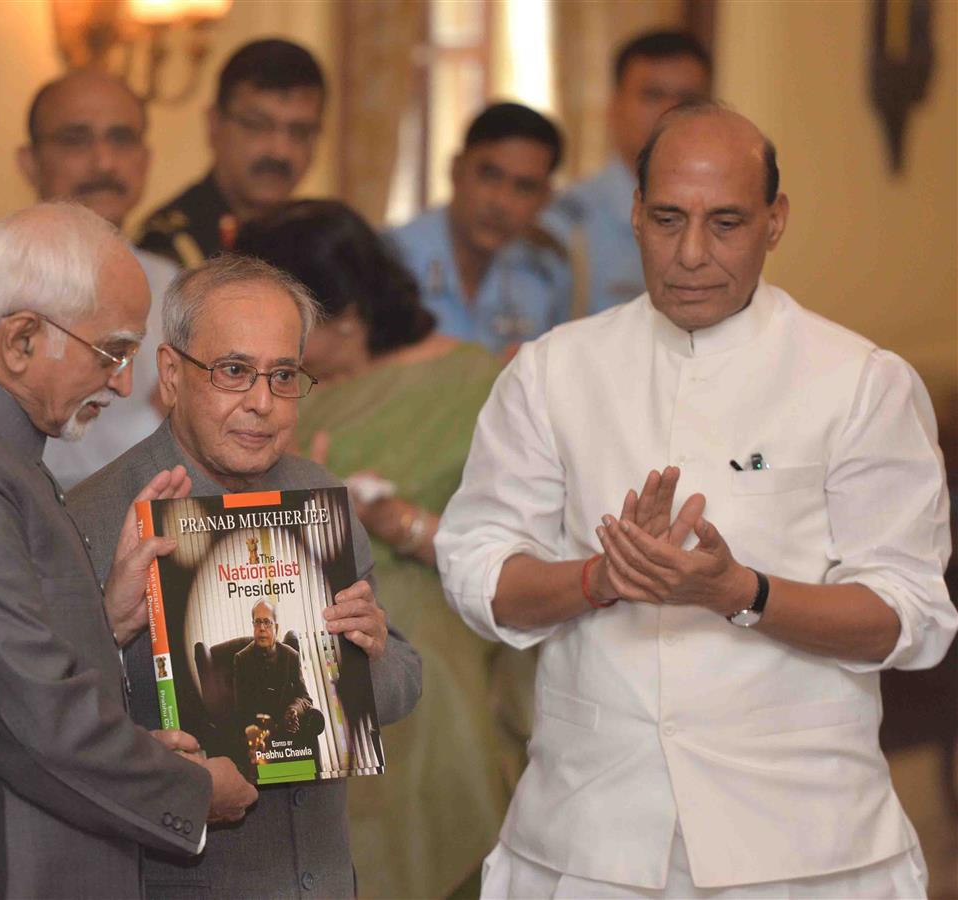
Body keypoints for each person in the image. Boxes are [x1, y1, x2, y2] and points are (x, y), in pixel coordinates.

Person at [437, 103, 956, 897]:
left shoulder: (858, 383)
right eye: (669, 218)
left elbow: (912, 616)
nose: (691, 254)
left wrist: (741, 594)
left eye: (726, 223)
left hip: (804, 843)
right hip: (588, 834)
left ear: (775, 222)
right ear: (636, 215)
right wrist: (597, 581)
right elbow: (477, 574)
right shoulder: (552, 373)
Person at [0, 202, 257, 898]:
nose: (125, 384)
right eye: (112, 352)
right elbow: (31, 708)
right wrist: (189, 790)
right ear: (22, 338)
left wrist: (108, 615)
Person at [69, 255, 422, 898]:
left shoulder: (316, 498)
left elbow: (402, 686)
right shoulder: (94, 515)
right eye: (234, 372)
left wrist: (368, 656)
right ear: (172, 375)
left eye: (283, 375)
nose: (261, 403)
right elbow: (57, 731)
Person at [236, 199, 524, 898]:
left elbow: (515, 544)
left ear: (341, 312)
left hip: (437, 634)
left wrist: (399, 523)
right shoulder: (266, 391)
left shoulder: (473, 386)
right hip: (283, 627)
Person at [0, 69, 177, 488]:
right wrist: (161, 420)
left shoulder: (169, 281)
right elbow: (14, 446)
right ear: (29, 162)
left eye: (121, 138)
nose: (103, 162)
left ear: (146, 160)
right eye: (76, 139)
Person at [541, 30, 711, 316]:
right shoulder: (564, 224)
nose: (670, 112)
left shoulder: (728, 218)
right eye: (652, 95)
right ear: (614, 107)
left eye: (687, 99)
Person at [388, 102, 570, 357]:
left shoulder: (544, 275)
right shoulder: (390, 259)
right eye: (490, 176)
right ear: (456, 169)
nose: (501, 202)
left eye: (524, 187)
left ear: (545, 199)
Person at [136, 39, 325, 268]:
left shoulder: (320, 242)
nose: (280, 151)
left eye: (300, 131)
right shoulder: (169, 245)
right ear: (214, 125)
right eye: (257, 125)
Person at [234, 600, 314, 737]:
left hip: (290, 728)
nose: (262, 628)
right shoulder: (241, 659)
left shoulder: (291, 656)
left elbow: (305, 698)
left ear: (276, 628)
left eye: (267, 622)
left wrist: (293, 711)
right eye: (257, 622)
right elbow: (242, 708)